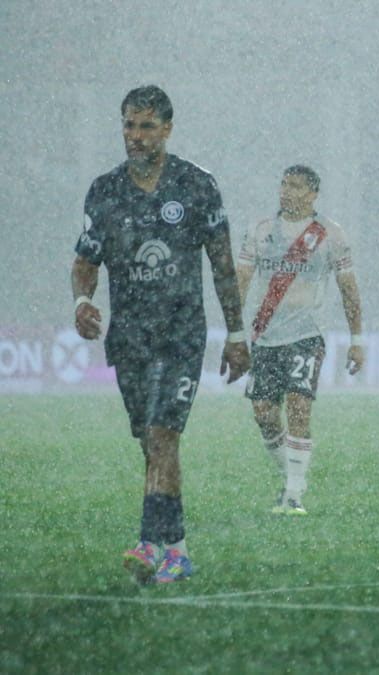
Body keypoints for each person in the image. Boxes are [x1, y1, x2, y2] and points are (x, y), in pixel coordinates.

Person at [71, 85, 250, 584]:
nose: (136, 136)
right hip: (129, 336)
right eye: (129, 125)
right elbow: (86, 261)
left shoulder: (196, 186)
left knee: (162, 433)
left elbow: (221, 266)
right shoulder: (104, 191)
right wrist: (83, 301)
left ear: (168, 129)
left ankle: (149, 544)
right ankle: (179, 549)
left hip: (180, 333)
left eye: (147, 126)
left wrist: (236, 332)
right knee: (151, 444)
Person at [235, 165, 366, 515]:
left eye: (295, 186)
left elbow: (348, 288)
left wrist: (357, 338)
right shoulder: (261, 230)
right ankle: (293, 475)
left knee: (298, 405)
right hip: (266, 336)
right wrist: (235, 329)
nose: (286, 191)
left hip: (307, 335)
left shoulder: (330, 234)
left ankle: (293, 494)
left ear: (312, 194)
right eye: (283, 183)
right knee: (263, 413)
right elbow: (242, 279)